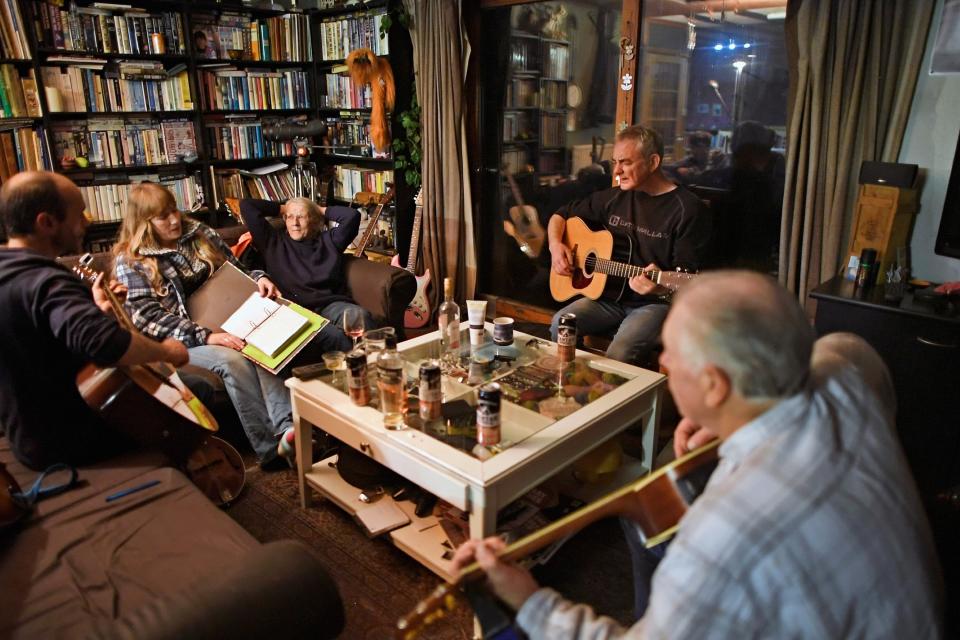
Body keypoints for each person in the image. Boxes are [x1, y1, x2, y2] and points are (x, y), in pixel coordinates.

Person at [453, 270, 943, 639]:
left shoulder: (723, 539)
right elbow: (844, 345)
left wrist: (529, 600)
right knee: (644, 512)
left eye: (671, 352)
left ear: (714, 384)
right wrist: (727, 420)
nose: (662, 361)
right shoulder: (844, 377)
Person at [0, 172, 195, 470]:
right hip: (72, 442)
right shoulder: (46, 282)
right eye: (79, 214)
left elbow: (38, 344)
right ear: (47, 222)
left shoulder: (9, 270)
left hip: (26, 439)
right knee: (184, 402)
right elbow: (105, 343)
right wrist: (167, 351)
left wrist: (96, 312)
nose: (87, 222)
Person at [113, 182, 293, 470]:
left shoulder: (199, 233)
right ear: (144, 223)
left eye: (174, 210)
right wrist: (207, 336)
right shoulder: (131, 261)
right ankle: (270, 450)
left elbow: (237, 269)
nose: (174, 220)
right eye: (162, 216)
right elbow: (147, 318)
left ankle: (288, 432)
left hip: (232, 321)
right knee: (233, 360)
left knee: (265, 341)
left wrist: (258, 278)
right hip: (176, 342)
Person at [547, 125, 711, 366]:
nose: (616, 171)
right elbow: (560, 215)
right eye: (615, 162)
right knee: (561, 325)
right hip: (608, 298)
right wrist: (554, 246)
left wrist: (659, 289)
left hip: (654, 304)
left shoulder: (688, 209)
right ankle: (571, 384)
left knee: (619, 354)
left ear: (653, 162)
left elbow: (687, 282)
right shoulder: (615, 197)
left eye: (625, 163)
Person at [239, 197, 376, 353]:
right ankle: (358, 368)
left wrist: (315, 209)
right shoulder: (272, 241)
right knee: (334, 336)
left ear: (313, 219)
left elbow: (351, 216)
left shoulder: (330, 241)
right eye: (290, 217)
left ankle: (376, 366)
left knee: (360, 316)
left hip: (330, 305)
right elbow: (247, 205)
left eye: (301, 217)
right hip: (295, 311)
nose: (295, 223)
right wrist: (286, 208)